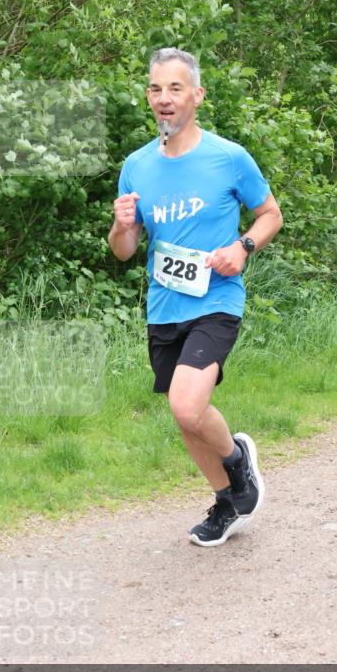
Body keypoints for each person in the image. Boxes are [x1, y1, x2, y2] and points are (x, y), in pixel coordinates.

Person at [109, 48, 282, 547]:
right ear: (149, 97)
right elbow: (123, 251)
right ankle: (227, 500)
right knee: (184, 414)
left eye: (176, 88)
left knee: (188, 406)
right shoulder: (136, 167)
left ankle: (237, 462)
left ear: (197, 96)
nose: (165, 99)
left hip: (216, 298)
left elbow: (271, 213)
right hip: (165, 305)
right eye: (156, 89)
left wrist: (242, 247)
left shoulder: (228, 157)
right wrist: (122, 226)